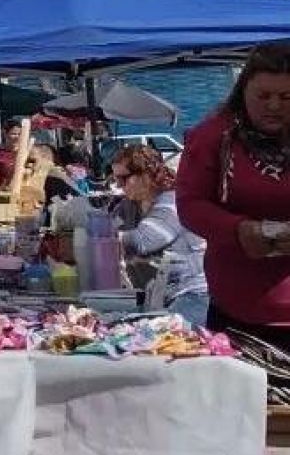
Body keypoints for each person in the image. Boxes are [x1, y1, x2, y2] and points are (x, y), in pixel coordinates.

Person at [179, 44, 290, 399]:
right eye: (264, 95)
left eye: (287, 96)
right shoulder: (214, 137)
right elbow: (191, 204)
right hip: (237, 308)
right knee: (241, 419)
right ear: (243, 91)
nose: (274, 106)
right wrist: (238, 230)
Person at [112, 145, 208, 326]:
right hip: (160, 296)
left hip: (193, 296)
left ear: (146, 176)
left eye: (123, 179)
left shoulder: (173, 202)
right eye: (115, 178)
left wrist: (99, 240)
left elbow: (143, 241)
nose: (118, 185)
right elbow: (102, 224)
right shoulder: (129, 206)